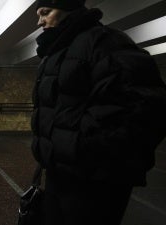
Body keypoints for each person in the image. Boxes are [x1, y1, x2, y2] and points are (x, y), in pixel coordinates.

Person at [31, 0, 166, 224]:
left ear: (68, 9)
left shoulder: (106, 43)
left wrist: (85, 147)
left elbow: (147, 106)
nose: (40, 21)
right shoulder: (55, 54)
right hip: (59, 171)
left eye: (46, 12)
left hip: (95, 178)